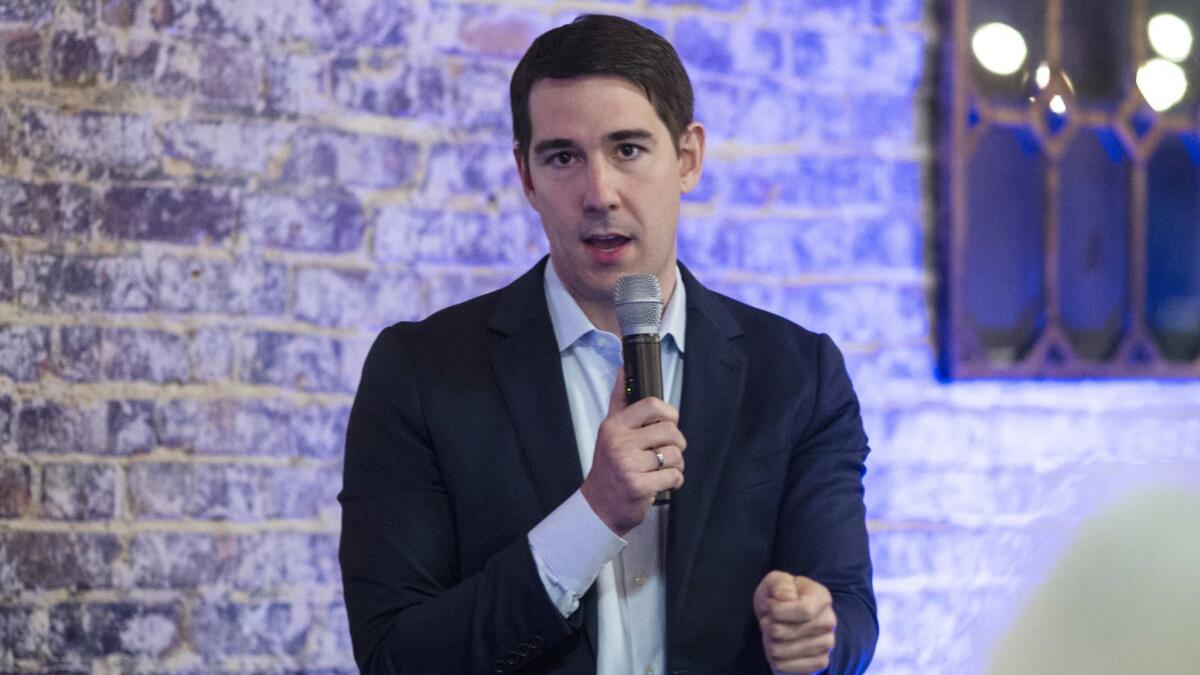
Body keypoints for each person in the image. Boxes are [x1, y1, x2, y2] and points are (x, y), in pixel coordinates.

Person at [339, 14, 877, 674]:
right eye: (563, 157)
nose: (599, 194)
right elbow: (395, 656)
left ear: (687, 158)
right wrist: (594, 513)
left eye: (628, 149)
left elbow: (849, 613)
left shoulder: (797, 373)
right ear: (526, 175)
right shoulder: (420, 372)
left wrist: (816, 636)